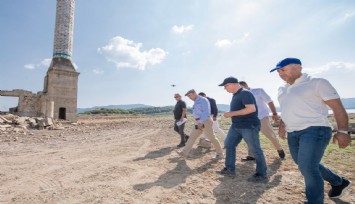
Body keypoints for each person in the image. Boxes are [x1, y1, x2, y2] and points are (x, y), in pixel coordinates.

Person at [270, 57, 352, 203]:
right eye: (278, 71)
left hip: (315, 129)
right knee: (304, 164)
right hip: (293, 133)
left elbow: (338, 108)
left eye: (283, 69)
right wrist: (283, 125)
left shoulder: (317, 83)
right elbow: (287, 108)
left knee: (307, 167)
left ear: (297, 67)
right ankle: (338, 182)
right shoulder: (282, 89)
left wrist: (343, 132)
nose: (280, 73)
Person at [215, 77, 268, 182]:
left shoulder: (245, 93)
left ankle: (261, 175)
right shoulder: (236, 95)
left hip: (248, 126)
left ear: (232, 84)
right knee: (229, 144)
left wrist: (231, 114)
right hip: (236, 126)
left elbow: (251, 109)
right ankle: (229, 169)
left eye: (225, 86)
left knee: (255, 150)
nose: (225, 88)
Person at [238, 81, 285, 160]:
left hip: (262, 117)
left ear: (245, 85)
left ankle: (279, 148)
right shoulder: (240, 96)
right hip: (250, 119)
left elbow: (269, 101)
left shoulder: (258, 91)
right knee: (250, 137)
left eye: (240, 88)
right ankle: (251, 155)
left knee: (270, 135)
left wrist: (274, 113)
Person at [179, 89, 224, 160]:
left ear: (194, 93)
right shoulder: (196, 101)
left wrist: (201, 122)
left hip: (205, 121)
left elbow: (206, 112)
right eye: (188, 97)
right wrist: (197, 122)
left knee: (212, 138)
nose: (189, 98)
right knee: (192, 137)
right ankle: (184, 153)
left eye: (190, 95)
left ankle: (220, 154)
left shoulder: (203, 100)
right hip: (198, 122)